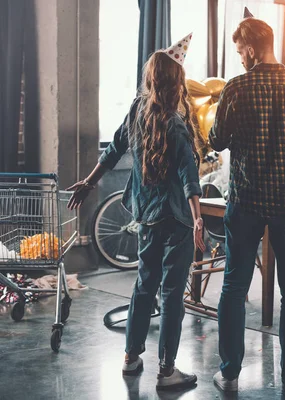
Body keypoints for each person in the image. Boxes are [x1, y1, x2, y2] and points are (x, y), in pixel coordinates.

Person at [67, 33, 206, 391]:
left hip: (145, 215)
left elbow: (112, 151)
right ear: (178, 81)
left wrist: (88, 182)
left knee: (144, 285)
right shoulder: (177, 124)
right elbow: (189, 178)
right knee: (173, 293)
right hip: (176, 218)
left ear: (151, 78)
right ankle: (168, 370)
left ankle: (130, 358)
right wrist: (198, 219)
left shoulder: (137, 110)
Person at [209, 16, 285, 396]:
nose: (239, 57)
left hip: (245, 201)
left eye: (239, 50)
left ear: (249, 46)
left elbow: (217, 141)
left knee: (233, 286)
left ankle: (228, 375)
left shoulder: (237, 88)